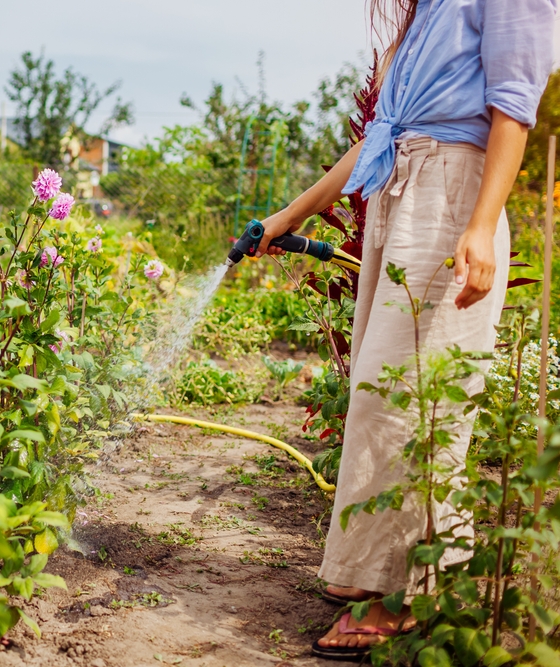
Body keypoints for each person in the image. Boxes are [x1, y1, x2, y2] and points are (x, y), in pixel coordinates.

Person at [255, 0, 557, 660]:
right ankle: (383, 579)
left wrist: (480, 225)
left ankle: (410, 599)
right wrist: (290, 214)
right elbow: (379, 135)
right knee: (383, 395)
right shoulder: (427, 12)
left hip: (453, 197)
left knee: (416, 403)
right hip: (403, 193)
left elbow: (514, 108)